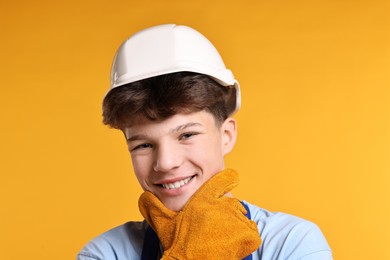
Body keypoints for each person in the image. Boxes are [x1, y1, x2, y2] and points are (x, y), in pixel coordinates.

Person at [77, 24, 332, 260]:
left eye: (186, 135)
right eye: (143, 145)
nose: (165, 163)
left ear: (226, 136)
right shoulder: (105, 253)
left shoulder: (293, 242)